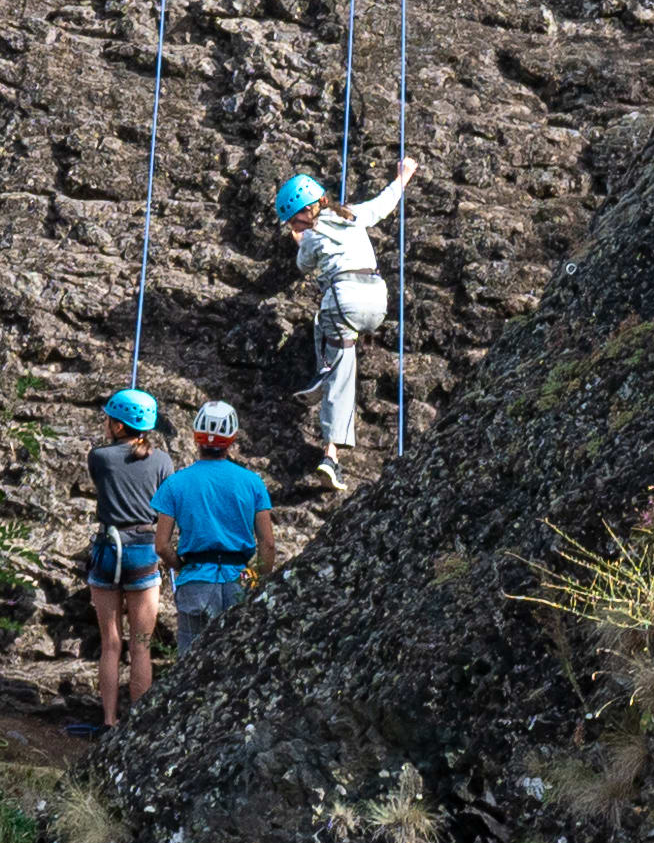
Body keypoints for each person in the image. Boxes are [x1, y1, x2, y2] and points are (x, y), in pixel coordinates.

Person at [276, 157, 414, 461]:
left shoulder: (310, 234)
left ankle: (331, 451)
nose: (292, 226)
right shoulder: (352, 215)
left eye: (292, 221)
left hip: (344, 300)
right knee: (335, 338)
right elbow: (382, 204)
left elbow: (304, 265)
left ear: (306, 211)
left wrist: (300, 241)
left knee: (333, 349)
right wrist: (403, 176)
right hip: (377, 301)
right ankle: (329, 371)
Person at [80, 385, 169, 732]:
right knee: (142, 646)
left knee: (110, 643)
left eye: (108, 418)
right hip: (144, 550)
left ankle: (109, 721)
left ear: (118, 426)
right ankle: (138, 728)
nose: (105, 422)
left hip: (108, 549)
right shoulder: (162, 460)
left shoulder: (99, 457)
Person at [153, 401, 277, 648]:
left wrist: (182, 566)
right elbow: (268, 544)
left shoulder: (176, 483)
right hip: (238, 580)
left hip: (195, 580)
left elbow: (161, 546)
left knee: (190, 665)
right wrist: (260, 581)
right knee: (238, 660)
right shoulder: (252, 482)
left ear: (196, 437)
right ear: (232, 439)